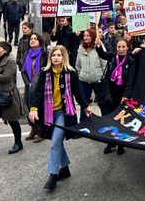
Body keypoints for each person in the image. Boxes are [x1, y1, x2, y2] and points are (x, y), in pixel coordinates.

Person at [29, 45, 92, 191]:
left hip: (64, 113)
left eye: (58, 55)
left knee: (54, 143)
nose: (55, 57)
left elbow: (78, 91)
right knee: (57, 142)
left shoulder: (71, 73)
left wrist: (86, 106)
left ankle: (52, 175)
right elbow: (38, 93)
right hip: (49, 113)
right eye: (53, 55)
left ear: (64, 57)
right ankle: (64, 169)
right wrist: (33, 110)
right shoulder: (45, 73)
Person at [95, 36, 136, 155]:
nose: (121, 49)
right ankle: (110, 142)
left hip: (122, 94)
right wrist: (98, 45)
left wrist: (126, 95)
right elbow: (102, 54)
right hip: (110, 92)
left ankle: (121, 144)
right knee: (109, 118)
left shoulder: (131, 61)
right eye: (119, 47)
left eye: (123, 47)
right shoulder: (113, 57)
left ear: (127, 48)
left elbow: (130, 80)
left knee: (120, 119)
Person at [76, 28, 110, 120]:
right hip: (84, 81)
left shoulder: (99, 47)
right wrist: (81, 75)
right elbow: (78, 66)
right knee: (84, 104)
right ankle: (83, 124)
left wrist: (100, 76)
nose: (86, 37)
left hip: (98, 81)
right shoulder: (80, 49)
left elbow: (104, 64)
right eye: (84, 36)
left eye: (88, 35)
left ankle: (106, 122)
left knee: (103, 104)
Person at [21, 32, 47, 143]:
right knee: (28, 106)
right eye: (31, 39)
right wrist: (28, 83)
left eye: (35, 39)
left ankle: (42, 131)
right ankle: (34, 128)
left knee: (38, 108)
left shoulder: (44, 54)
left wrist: (37, 83)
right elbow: (23, 71)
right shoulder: (28, 54)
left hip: (40, 86)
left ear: (40, 42)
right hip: (29, 85)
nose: (32, 40)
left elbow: (44, 70)